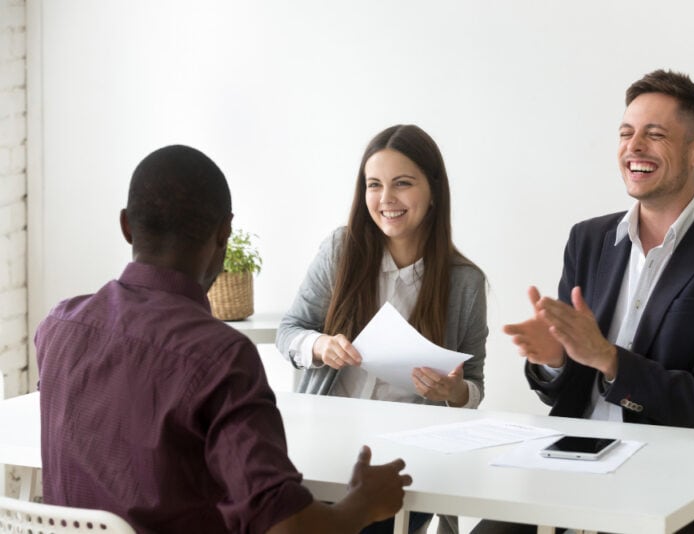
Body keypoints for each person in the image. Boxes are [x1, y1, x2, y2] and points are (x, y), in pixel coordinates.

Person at [35, 145, 413, 534]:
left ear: (127, 226)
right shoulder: (220, 357)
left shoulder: (59, 327)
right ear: (224, 233)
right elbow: (288, 529)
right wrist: (363, 503)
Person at [474, 70, 694, 534]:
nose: (634, 146)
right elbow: (564, 389)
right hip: (567, 462)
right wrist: (555, 360)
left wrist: (609, 359)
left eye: (655, 135)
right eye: (626, 133)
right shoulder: (588, 240)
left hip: (668, 480)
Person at [277, 124, 488, 533]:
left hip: (404, 461)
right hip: (326, 449)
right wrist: (320, 345)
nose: (386, 199)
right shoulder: (341, 250)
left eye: (402, 184)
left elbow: (473, 385)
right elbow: (290, 332)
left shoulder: (465, 282)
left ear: (434, 191)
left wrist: (454, 392)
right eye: (374, 185)